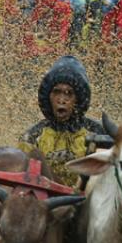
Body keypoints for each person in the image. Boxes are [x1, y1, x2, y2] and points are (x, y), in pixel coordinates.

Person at [19, 56, 107, 186]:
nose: (61, 100)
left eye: (69, 93)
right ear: (48, 96)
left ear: (78, 99)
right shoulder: (32, 136)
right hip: (44, 201)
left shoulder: (98, 133)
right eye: (57, 92)